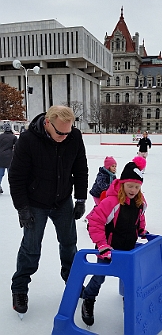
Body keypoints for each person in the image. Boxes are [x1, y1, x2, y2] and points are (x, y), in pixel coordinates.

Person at [8, 105, 88, 316]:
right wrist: (22, 208)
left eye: (68, 132)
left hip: (63, 200)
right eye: (60, 132)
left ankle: (72, 280)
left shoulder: (74, 136)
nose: (64, 136)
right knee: (31, 247)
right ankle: (19, 288)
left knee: (70, 244)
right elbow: (16, 177)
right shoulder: (28, 140)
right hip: (35, 202)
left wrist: (80, 198)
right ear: (47, 123)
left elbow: (81, 169)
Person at [81, 156, 149, 326]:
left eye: (137, 186)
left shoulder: (139, 202)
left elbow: (139, 217)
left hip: (127, 249)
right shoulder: (112, 201)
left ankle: (130, 305)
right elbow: (94, 221)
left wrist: (142, 230)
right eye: (130, 186)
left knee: (129, 278)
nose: (133, 190)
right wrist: (102, 245)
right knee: (99, 277)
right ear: (122, 183)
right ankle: (88, 299)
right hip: (108, 249)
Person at [0, 122, 17, 193]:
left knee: (0, 173)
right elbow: (17, 146)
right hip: (10, 157)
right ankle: (14, 187)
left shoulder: (0, 136)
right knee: (11, 173)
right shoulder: (13, 137)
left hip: (0, 157)